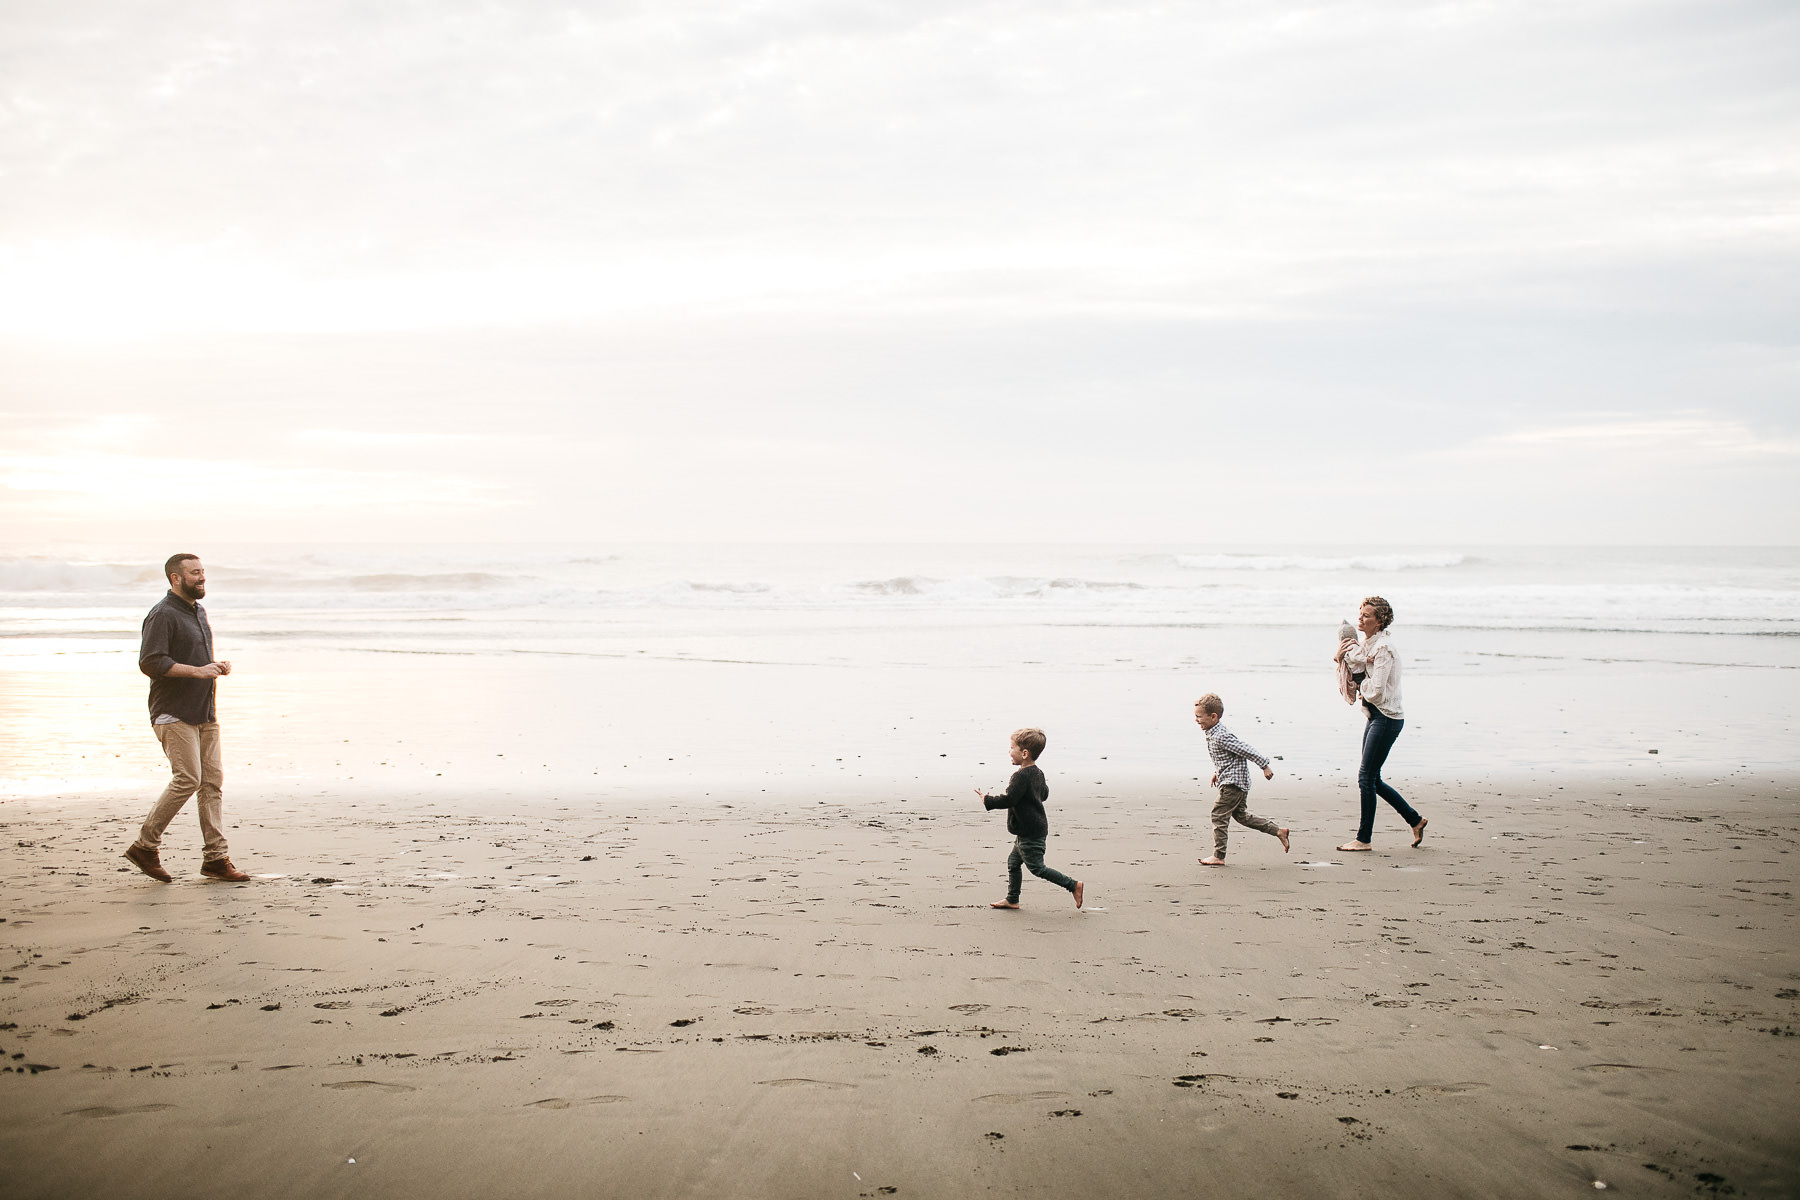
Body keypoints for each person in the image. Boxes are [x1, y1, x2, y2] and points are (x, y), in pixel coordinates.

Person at [122, 554, 250, 883]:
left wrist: (214, 666)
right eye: (195, 573)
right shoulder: (162, 614)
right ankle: (145, 847)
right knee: (188, 779)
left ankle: (216, 860)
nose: (202, 577)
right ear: (176, 579)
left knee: (211, 784)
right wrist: (198, 671)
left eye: (203, 571)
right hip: (173, 713)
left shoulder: (198, 611)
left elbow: (193, 659)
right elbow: (150, 662)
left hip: (204, 712)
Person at [1333, 595, 1427, 852]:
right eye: (1360, 613)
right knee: (1372, 778)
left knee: (1366, 778)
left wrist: (1361, 676)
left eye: (1366, 615)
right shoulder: (1367, 644)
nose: (1360, 618)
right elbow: (1355, 663)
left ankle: (1364, 839)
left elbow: (1376, 692)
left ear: (1380, 620)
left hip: (1387, 717)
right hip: (1376, 716)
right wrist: (1340, 657)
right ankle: (1415, 820)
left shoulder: (1383, 648)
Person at [975, 727, 1084, 910]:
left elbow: (1010, 799)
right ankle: (1012, 899)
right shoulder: (1037, 773)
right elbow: (1045, 794)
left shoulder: (1020, 776)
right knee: (1013, 862)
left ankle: (1073, 885)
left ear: (1024, 753)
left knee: (1037, 868)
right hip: (1030, 829)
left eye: (1012, 748)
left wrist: (987, 800)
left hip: (1030, 832)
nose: (1009, 751)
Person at [1193, 694, 1289, 865]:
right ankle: (1279, 831)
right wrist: (1217, 772)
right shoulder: (1213, 732)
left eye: (1199, 717)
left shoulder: (1220, 735)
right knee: (1241, 816)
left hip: (1233, 784)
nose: (1196, 720)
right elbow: (1225, 757)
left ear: (1213, 716)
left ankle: (1219, 855)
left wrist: (1264, 765)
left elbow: (1246, 750)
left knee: (1218, 815)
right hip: (1233, 780)